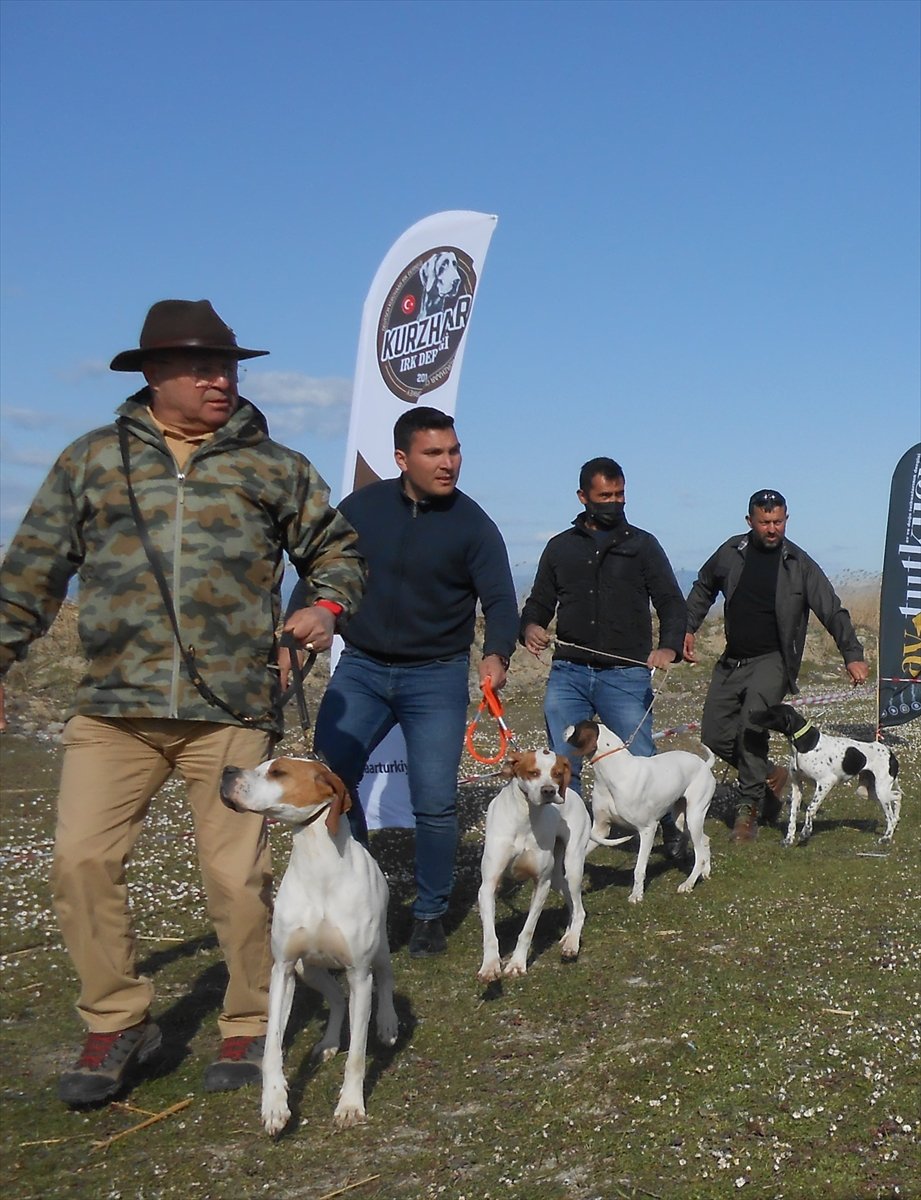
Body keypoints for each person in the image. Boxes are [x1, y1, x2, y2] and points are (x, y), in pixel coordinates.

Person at [0, 299, 366, 1106]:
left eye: (228, 366)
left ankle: (246, 1019)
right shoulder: (91, 460)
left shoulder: (274, 465)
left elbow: (338, 551)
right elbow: (30, 571)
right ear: (153, 375)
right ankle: (114, 1021)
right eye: (201, 367)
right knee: (80, 863)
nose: (220, 380)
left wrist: (325, 606)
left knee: (236, 882)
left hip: (229, 709)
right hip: (113, 707)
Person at [286, 406, 518, 958]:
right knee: (330, 783)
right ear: (400, 459)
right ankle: (360, 895)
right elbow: (317, 573)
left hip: (435, 675)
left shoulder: (474, 524)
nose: (449, 463)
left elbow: (502, 600)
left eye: (454, 451)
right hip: (362, 667)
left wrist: (496, 653)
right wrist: (291, 640)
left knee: (435, 801)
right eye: (434, 453)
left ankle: (430, 914)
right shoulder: (361, 508)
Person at [520, 457, 687, 857]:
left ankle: (669, 827)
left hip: (627, 674)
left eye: (620, 495)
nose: (614, 502)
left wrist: (669, 646)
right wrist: (530, 627)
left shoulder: (643, 545)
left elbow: (670, 602)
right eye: (605, 496)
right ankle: (567, 840)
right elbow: (539, 602)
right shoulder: (559, 548)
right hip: (569, 673)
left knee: (643, 760)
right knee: (564, 764)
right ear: (583, 497)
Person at [683, 488, 868, 842]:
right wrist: (686, 628)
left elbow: (831, 608)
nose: (772, 528)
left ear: (786, 519)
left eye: (779, 521)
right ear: (749, 521)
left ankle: (749, 809)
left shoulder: (799, 563)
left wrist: (852, 654)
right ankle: (770, 774)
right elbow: (703, 587)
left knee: (752, 727)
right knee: (714, 734)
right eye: (765, 522)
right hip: (732, 661)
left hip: (774, 661)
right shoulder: (730, 552)